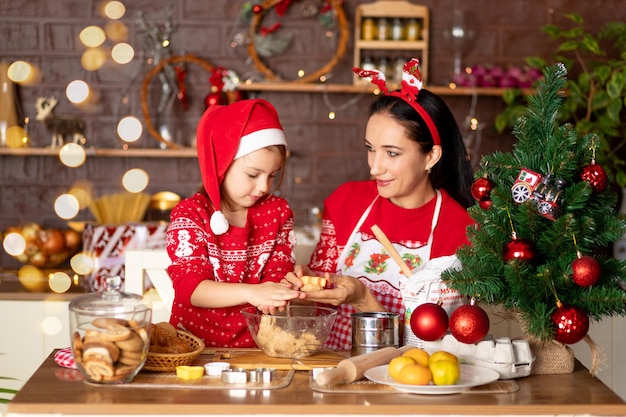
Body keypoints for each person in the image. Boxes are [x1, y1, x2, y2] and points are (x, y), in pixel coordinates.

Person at [283, 58, 475, 351]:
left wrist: (362, 297)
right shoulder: (347, 201)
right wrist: (306, 283)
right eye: (370, 149)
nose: (374, 168)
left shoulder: (460, 229)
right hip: (334, 367)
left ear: (431, 157)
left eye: (392, 153)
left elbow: (437, 347)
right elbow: (319, 302)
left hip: (409, 383)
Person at [166, 98, 303, 348]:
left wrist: (285, 286)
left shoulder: (277, 212)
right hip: (193, 347)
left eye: (272, 176)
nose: (263, 187)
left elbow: (277, 270)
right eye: (253, 174)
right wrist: (252, 292)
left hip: (258, 346)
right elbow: (190, 289)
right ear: (221, 165)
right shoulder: (191, 214)